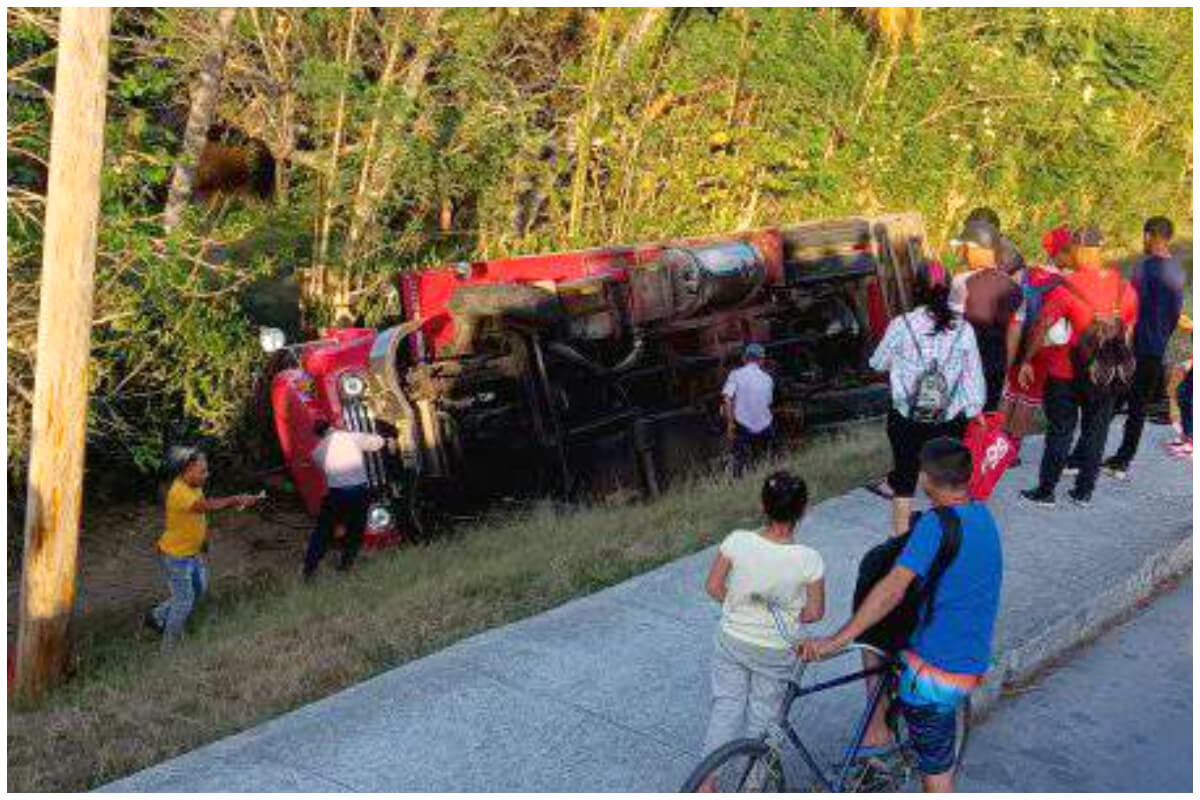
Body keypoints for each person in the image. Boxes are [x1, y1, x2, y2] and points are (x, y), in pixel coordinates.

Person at [799, 438, 1003, 793]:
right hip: (972, 657)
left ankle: (878, 735)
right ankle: (880, 736)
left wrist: (836, 641)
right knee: (878, 640)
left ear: (926, 478)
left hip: (936, 677)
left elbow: (892, 590)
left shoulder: (935, 526)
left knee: (937, 778)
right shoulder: (983, 517)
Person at [698, 471, 825, 789]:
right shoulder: (809, 560)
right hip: (775, 650)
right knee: (764, 714)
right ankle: (754, 784)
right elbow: (814, 612)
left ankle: (706, 782)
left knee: (726, 706)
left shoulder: (737, 541)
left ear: (762, 505)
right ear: (805, 509)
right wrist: (783, 614)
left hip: (732, 639)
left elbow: (713, 587)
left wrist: (744, 605)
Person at [1017, 226, 1138, 507]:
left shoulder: (1066, 288)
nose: (1068, 255)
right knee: (1097, 431)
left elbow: (1042, 326)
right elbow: (1128, 331)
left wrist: (1027, 359)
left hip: (1065, 372)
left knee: (1061, 431)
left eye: (1071, 250)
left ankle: (1046, 491)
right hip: (1107, 372)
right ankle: (1084, 493)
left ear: (1081, 251)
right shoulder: (1125, 287)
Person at [871, 260, 986, 537]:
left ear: (915, 290)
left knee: (905, 477)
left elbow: (878, 363)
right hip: (949, 419)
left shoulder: (902, 325)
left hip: (906, 418)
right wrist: (974, 410)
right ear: (948, 291)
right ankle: (950, 535)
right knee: (948, 479)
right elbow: (973, 378)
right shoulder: (963, 328)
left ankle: (900, 542)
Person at [147, 447, 262, 643]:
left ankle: (157, 615)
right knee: (184, 602)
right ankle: (170, 648)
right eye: (202, 471)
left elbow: (200, 515)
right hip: (177, 557)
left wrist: (203, 539)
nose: (206, 475)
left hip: (192, 553)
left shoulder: (193, 485)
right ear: (186, 470)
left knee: (198, 590)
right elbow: (205, 506)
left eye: (206, 470)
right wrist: (236, 499)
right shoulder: (179, 493)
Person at [1102, 216, 1185, 479]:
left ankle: (1084, 456)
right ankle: (1122, 461)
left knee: (1108, 401)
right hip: (1156, 348)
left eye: (1144, 236)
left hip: (1134, 346)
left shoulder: (1144, 269)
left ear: (1150, 235)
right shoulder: (1178, 271)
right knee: (1138, 408)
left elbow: (1129, 310)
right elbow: (1174, 315)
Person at [998, 226, 1073, 443]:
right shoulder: (1065, 282)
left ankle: (997, 441)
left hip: (1016, 339)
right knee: (1028, 399)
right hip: (1042, 347)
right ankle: (1011, 449)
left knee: (1010, 392)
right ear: (1062, 252)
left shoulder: (1027, 273)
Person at [948, 219, 1023, 411]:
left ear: (975, 249)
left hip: (964, 365)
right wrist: (1006, 369)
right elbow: (1014, 333)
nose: (964, 253)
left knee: (962, 420)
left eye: (966, 248)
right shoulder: (1015, 288)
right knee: (987, 417)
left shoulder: (960, 282)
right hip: (996, 365)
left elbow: (953, 326)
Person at [303, 420, 386, 577]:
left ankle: (309, 569)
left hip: (336, 495)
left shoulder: (317, 452)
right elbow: (378, 443)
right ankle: (345, 566)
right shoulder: (352, 437)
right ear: (331, 427)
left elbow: (323, 468)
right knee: (355, 531)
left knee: (321, 532)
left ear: (319, 436)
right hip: (359, 492)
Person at [722, 342, 775, 477]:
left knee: (723, 408)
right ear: (762, 360)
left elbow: (727, 399)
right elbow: (768, 403)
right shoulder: (768, 379)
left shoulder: (735, 374)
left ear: (744, 358)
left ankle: (736, 471)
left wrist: (730, 425)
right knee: (763, 458)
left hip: (744, 430)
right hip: (766, 430)